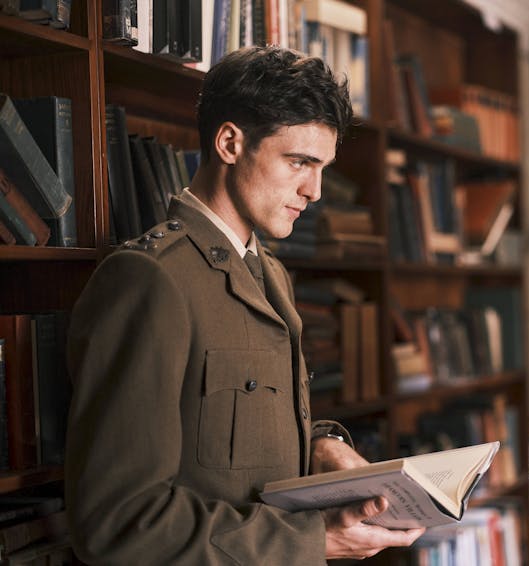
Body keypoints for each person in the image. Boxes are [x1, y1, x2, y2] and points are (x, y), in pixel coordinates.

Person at [65, 45, 424, 565]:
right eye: (300, 162)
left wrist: (320, 448)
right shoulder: (149, 278)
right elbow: (118, 519)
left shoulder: (269, 271)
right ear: (231, 142)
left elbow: (240, 439)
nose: (316, 190)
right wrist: (312, 539)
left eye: (322, 167)